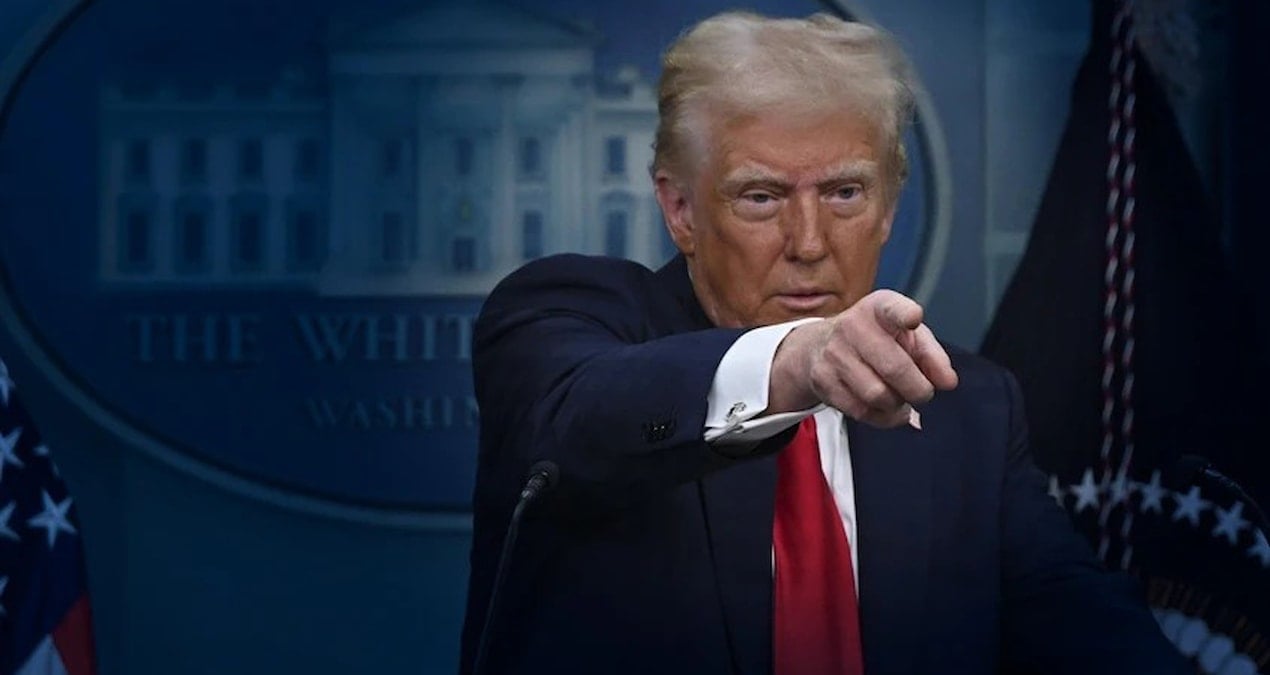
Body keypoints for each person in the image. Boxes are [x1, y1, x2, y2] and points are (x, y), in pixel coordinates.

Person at [458, 10, 1189, 675]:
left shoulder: (971, 412)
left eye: (845, 193)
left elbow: (1092, 632)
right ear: (680, 209)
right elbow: (578, 419)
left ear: (889, 208)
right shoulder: (568, 316)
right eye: (761, 197)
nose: (809, 243)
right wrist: (797, 359)